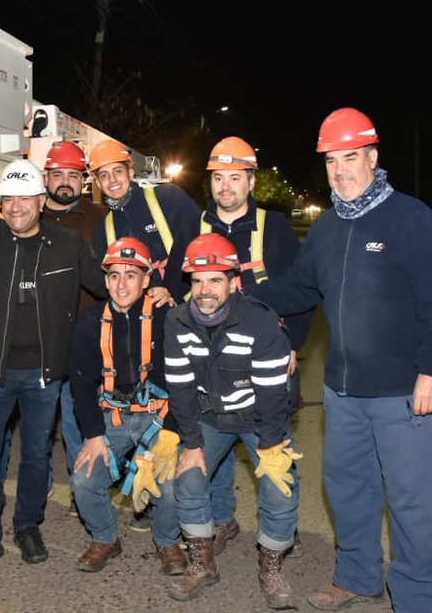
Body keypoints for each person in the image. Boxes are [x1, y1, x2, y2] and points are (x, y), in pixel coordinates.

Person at [253, 107, 432, 613]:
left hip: (401, 392)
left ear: (373, 157)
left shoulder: (409, 218)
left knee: (412, 500)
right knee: (348, 489)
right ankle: (358, 575)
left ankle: (416, 597)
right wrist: (237, 291)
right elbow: (299, 289)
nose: (340, 169)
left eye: (351, 157)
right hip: (342, 393)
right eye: (331, 160)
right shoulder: (328, 228)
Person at [0, 159, 105, 579]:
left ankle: (28, 526)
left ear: (39, 200)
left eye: (24, 198)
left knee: (35, 455)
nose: (16, 207)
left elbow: (108, 285)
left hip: (45, 374)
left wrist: (150, 287)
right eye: (8, 199)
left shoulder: (68, 245)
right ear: (1, 205)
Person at [164, 233, 301, 609]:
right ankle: (202, 564)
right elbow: (180, 387)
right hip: (210, 417)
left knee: (280, 485)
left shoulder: (261, 322)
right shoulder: (176, 320)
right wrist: (191, 443)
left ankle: (270, 565)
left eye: (214, 280)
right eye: (197, 281)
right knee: (187, 479)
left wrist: (272, 446)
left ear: (234, 281)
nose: (204, 290)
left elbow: (276, 395)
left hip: (260, 418)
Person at [198, 136, 312, 556]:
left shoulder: (274, 227)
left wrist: (294, 345)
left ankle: (281, 530)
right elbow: (177, 288)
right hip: (213, 366)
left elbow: (302, 290)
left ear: (250, 181)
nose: (225, 186)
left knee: (272, 448)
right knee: (219, 448)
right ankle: (223, 519)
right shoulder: (197, 227)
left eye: (234, 177)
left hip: (266, 363)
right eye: (218, 178)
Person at [68, 237, 186, 575]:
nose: (122, 284)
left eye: (131, 275)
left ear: (147, 280)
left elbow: (183, 380)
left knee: (170, 482)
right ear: (105, 281)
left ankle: (167, 541)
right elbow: (80, 382)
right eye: (115, 275)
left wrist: (170, 435)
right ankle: (105, 538)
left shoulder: (167, 317)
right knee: (83, 480)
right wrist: (92, 435)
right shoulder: (91, 321)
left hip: (160, 416)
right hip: (112, 417)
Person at [40, 139, 107, 514]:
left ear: (82, 180)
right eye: (58, 174)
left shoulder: (99, 218)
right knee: (38, 421)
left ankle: (85, 490)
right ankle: (42, 483)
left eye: (73, 175)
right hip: (38, 336)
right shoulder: (29, 212)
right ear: (46, 176)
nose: (65, 181)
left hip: (86, 336)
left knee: (78, 419)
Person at [89, 138, 200, 304]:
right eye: (104, 175)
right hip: (141, 317)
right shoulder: (102, 231)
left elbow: (199, 242)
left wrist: (171, 290)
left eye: (118, 171)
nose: (112, 180)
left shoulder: (169, 198)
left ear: (131, 172)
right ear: (97, 182)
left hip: (186, 305)